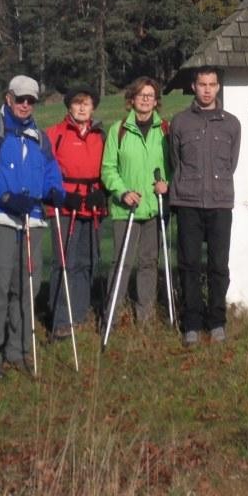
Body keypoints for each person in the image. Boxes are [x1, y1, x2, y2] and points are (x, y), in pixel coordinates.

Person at [0, 75, 72, 378]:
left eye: (31, 100)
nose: (25, 105)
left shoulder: (39, 136)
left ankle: (20, 350)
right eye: (20, 98)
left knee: (26, 288)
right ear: (8, 97)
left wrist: (56, 192)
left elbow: (51, 171)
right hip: (0, 218)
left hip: (33, 221)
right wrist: (6, 197)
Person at [169, 66, 241, 346]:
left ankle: (217, 321)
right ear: (194, 87)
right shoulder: (180, 122)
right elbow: (177, 161)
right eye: (202, 84)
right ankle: (192, 323)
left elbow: (231, 163)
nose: (207, 89)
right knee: (188, 264)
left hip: (220, 202)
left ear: (218, 87)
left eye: (212, 84)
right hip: (187, 201)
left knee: (218, 265)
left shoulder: (232, 124)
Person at [100, 77, 171, 326]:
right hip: (126, 209)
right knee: (122, 263)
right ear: (131, 99)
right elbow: (108, 169)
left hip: (155, 208)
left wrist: (167, 184)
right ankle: (110, 317)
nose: (145, 99)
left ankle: (145, 319)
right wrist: (122, 192)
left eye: (150, 95)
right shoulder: (118, 130)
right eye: (141, 94)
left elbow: (173, 165)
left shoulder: (165, 129)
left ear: (156, 100)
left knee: (149, 264)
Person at [45, 87, 108, 339]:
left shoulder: (100, 135)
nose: (82, 108)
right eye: (77, 103)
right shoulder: (55, 134)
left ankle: (78, 314)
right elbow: (46, 170)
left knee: (86, 260)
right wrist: (60, 194)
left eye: (87, 103)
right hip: (65, 204)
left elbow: (110, 166)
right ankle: (60, 318)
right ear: (69, 106)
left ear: (93, 107)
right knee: (64, 262)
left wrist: (103, 192)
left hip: (92, 203)